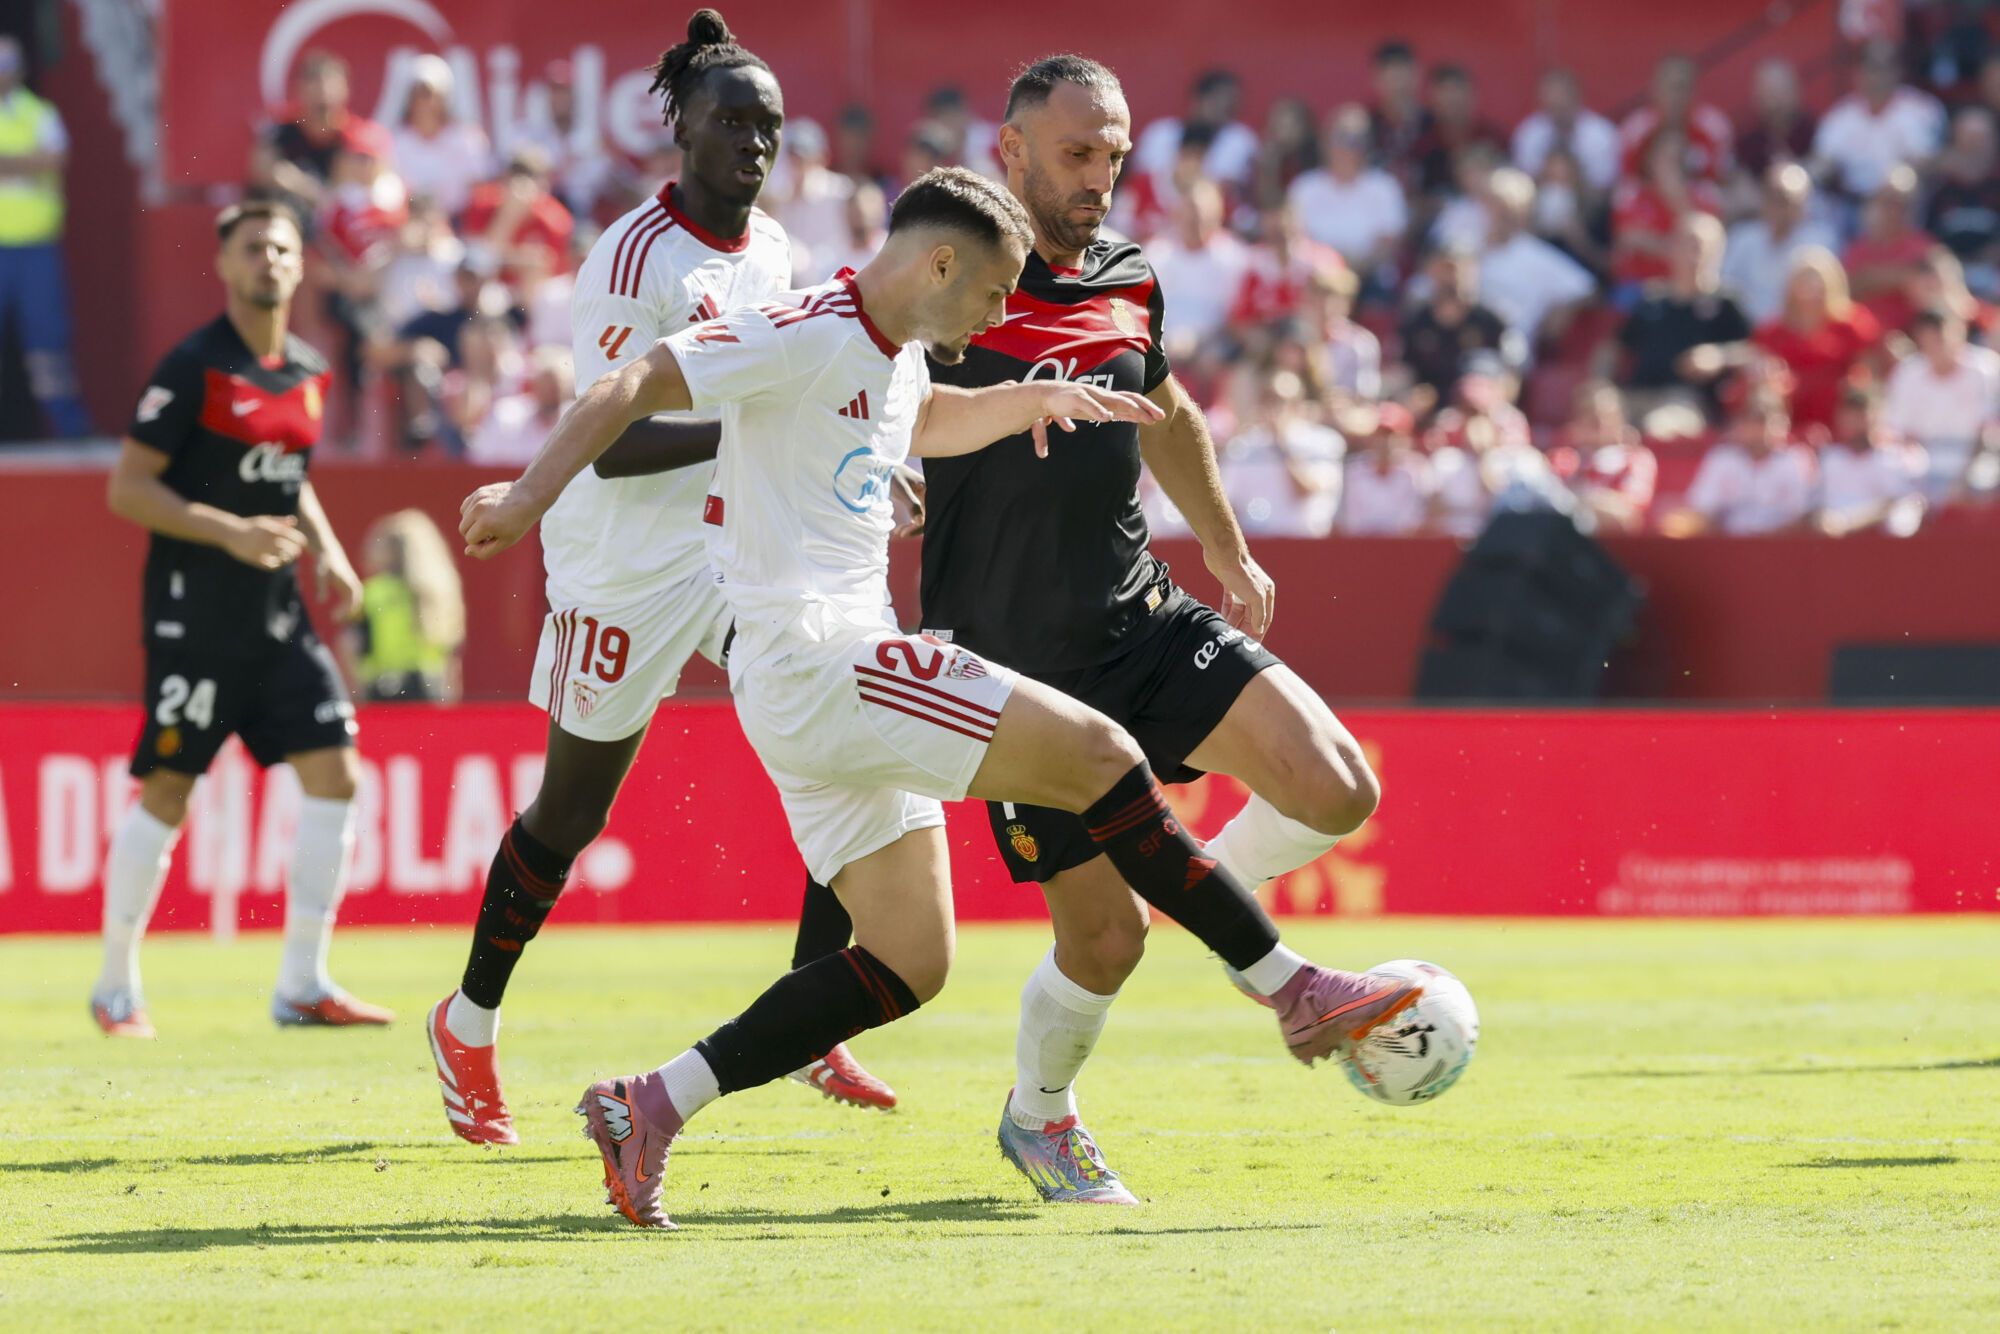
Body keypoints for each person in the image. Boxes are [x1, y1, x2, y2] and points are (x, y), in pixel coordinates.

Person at [459, 165, 1422, 1229]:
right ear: (941, 262)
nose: (1003, 311)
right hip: (820, 658)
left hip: (812, 680)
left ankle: (647, 1104)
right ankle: (1290, 988)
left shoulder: (892, 350)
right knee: (1105, 755)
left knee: (910, 956)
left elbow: (931, 416)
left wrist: (1036, 399)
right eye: (996, 290)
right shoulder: (805, 325)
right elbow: (630, 382)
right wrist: (525, 492)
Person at [792, 58, 1402, 1206]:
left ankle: (1214, 893)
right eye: (1078, 154)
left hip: (1143, 618)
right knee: (1107, 943)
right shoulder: (951, 269)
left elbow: (1164, 410)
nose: (1100, 177)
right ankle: (1039, 1117)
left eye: (1114, 155)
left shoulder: (1129, 273)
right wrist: (881, 472)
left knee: (1337, 786)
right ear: (1012, 150)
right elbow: (859, 392)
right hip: (1015, 674)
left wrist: (1224, 544)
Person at [423, 11, 862, 1147]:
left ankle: (811, 1018)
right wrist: (755, 437)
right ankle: (466, 1022)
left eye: (768, 126)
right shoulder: (630, 259)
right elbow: (615, 440)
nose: (753, 144)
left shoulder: (773, 252)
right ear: (681, 129)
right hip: (617, 563)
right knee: (570, 815)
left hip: (732, 549)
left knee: (840, 736)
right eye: (731, 122)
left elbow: (782, 389)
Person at [92, 201, 388, 1037]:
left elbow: (286, 473)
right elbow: (129, 489)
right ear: (224, 265)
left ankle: (303, 984)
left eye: (281, 248)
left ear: (302, 266)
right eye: (252, 248)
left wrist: (325, 549)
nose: (268, 260)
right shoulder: (193, 366)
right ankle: (116, 986)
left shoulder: (306, 368)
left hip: (278, 618)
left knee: (338, 774)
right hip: (197, 620)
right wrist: (232, 531)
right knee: (170, 790)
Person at [0, 34, 89, 438]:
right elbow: (40, 161)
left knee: (47, 342)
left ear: (19, 70)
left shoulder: (40, 113)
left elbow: (55, 158)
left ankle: (68, 427)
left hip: (36, 249)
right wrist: (26, 162)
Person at [1615, 212, 1753, 421]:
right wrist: (1601, 384)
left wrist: (1719, 356)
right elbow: (1614, 347)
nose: (1692, 254)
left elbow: (1755, 350)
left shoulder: (1726, 302)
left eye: (1698, 246)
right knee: (1598, 423)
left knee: (1660, 424)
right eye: (1684, 244)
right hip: (1637, 394)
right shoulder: (1651, 299)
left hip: (1688, 401)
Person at [1752, 247, 1884, 435]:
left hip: (1840, 419)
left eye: (1816, 280)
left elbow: (1868, 375)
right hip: (1788, 420)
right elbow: (1764, 371)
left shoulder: (1853, 325)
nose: (1810, 287)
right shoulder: (1772, 331)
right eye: (1803, 280)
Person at [1881, 305, 2000, 500]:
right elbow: (1897, 430)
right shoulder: (1907, 373)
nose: (1936, 346)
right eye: (1928, 339)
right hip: (1922, 455)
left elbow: (1990, 431)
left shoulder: (1986, 369)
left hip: (1974, 453)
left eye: (1941, 338)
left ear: (1959, 333)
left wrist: (1964, 475)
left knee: (1983, 479)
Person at [348, 509, 465, 701]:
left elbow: (351, 645)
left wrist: (357, 689)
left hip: (384, 685)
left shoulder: (374, 592)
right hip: (431, 684)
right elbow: (451, 652)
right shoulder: (440, 592)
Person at [1474, 168, 1597, 350]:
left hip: (1506, 347)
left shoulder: (1534, 253)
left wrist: (1558, 313)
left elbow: (1587, 288)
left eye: (1504, 208)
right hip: (1459, 340)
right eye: (1490, 205)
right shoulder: (1466, 248)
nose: (1496, 215)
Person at [1285, 105, 1407, 287]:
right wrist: (1327, 267)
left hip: (1369, 279)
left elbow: (1388, 245)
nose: (1346, 148)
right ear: (1325, 142)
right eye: (1339, 138)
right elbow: (1295, 238)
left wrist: (1348, 270)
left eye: (1355, 141)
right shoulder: (1305, 187)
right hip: (1313, 280)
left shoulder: (1384, 187)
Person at [1810, 39, 1945, 203]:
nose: (1880, 76)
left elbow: (1926, 160)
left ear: (1898, 71)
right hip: (1852, 204)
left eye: (1887, 67)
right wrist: (1802, 173)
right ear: (1858, 72)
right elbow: (1824, 161)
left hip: (1900, 203)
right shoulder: (1840, 116)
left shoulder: (1922, 108)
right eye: (1872, 67)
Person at [1216, 369, 1345, 537]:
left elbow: (1306, 490)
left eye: (1282, 402)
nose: (1275, 409)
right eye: (1269, 401)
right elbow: (1228, 505)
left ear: (1298, 404)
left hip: (1307, 543)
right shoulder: (1242, 447)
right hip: (1257, 543)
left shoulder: (1324, 442)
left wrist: (1281, 444)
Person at [1665, 392, 1814, 535]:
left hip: (1782, 549)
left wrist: (1763, 540)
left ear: (1783, 423)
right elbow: (1702, 509)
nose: (1756, 429)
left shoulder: (1795, 460)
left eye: (1762, 420)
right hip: (1728, 547)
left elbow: (1802, 517)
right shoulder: (1722, 459)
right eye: (1749, 421)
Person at [1722, 162, 1840, 324]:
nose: (1778, 206)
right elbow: (1726, 285)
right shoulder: (1743, 237)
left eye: (1785, 199)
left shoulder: (1820, 241)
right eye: (1771, 196)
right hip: (1744, 329)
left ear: (1803, 203)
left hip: (1795, 332)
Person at [387, 54, 493, 219]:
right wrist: (418, 205)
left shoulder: (468, 139)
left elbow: (478, 189)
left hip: (460, 223)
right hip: (409, 221)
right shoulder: (395, 141)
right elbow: (393, 192)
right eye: (417, 93)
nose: (423, 101)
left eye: (428, 93)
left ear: (445, 97)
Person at [1815, 383, 1926, 536]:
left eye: (1861, 416)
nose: (1854, 423)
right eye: (1850, 416)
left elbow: (1901, 505)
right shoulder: (1829, 459)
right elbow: (1813, 507)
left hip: (1881, 545)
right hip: (1832, 544)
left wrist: (1850, 522)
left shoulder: (1893, 459)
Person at [1132, 68, 1259, 189]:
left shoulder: (1240, 139)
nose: (1219, 108)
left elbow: (1226, 187)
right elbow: (1141, 182)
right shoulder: (1159, 132)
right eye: (1215, 100)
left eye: (1228, 104)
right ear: (1197, 99)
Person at [1618, 55, 1735, 183]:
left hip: (1699, 198)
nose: (1676, 96)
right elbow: (1628, 184)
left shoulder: (1714, 128)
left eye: (1682, 88)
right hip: (1647, 198)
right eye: (1670, 87)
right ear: (1654, 89)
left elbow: (1721, 181)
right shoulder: (1635, 130)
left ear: (1694, 90)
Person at [1511, 68, 1620, 193]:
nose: (1556, 103)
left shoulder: (1601, 134)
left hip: (1591, 202)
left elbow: (1604, 183)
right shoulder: (1529, 133)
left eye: (1561, 98)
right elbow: (1522, 181)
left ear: (1576, 96)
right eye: (1550, 100)